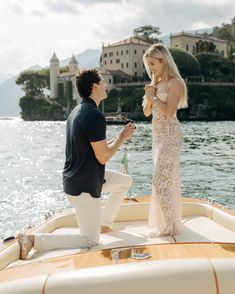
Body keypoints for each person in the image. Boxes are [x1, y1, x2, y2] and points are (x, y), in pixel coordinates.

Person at [18, 69, 136, 259]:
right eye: (104, 82)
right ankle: (33, 240)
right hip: (84, 186)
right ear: (94, 87)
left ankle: (105, 223)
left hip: (79, 178)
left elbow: (95, 153)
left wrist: (120, 137)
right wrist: (122, 137)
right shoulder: (94, 115)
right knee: (90, 241)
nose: (107, 85)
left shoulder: (76, 112)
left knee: (125, 181)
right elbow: (103, 157)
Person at [142, 43, 188, 236]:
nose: (150, 68)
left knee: (160, 179)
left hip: (171, 135)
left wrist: (153, 97)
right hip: (158, 137)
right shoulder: (156, 84)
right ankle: (168, 224)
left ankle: (168, 226)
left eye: (152, 64)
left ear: (163, 61)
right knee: (164, 179)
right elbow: (146, 113)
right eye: (148, 65)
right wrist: (149, 95)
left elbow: (169, 112)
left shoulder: (175, 82)